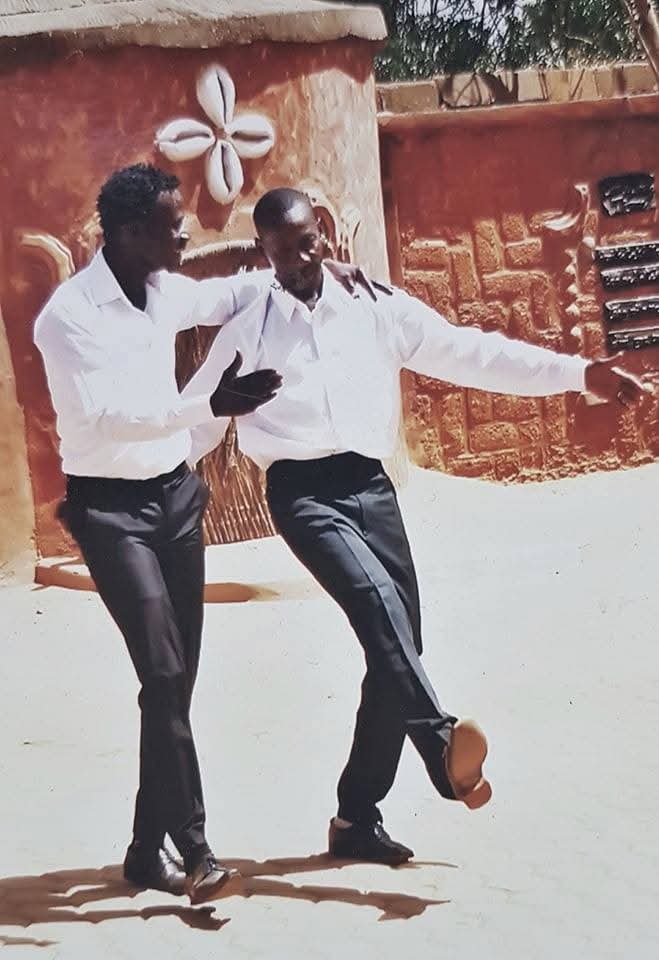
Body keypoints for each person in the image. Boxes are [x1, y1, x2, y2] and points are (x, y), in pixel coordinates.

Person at [182, 186, 646, 866]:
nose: (301, 260)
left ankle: (355, 818)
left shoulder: (374, 306)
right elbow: (191, 423)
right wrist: (139, 480)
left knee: (398, 644)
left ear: (324, 235)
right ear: (264, 253)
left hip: (370, 486)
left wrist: (580, 374)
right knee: (377, 606)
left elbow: (469, 353)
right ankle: (441, 745)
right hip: (301, 493)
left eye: (309, 243)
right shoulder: (247, 330)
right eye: (284, 251)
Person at [33, 165, 373, 902]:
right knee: (161, 675)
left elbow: (238, 290)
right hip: (110, 512)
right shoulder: (67, 317)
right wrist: (207, 405)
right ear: (130, 233)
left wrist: (322, 268)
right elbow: (107, 419)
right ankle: (196, 849)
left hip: (175, 501)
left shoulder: (163, 289)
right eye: (171, 223)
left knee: (174, 683)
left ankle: (141, 851)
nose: (185, 232)